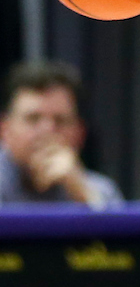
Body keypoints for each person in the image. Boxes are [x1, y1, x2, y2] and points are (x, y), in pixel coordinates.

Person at [0, 60, 124, 207]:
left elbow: (115, 226)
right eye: (33, 119)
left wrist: (82, 194)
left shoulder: (100, 191)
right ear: (5, 130)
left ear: (80, 134)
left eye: (60, 121)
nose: (46, 131)